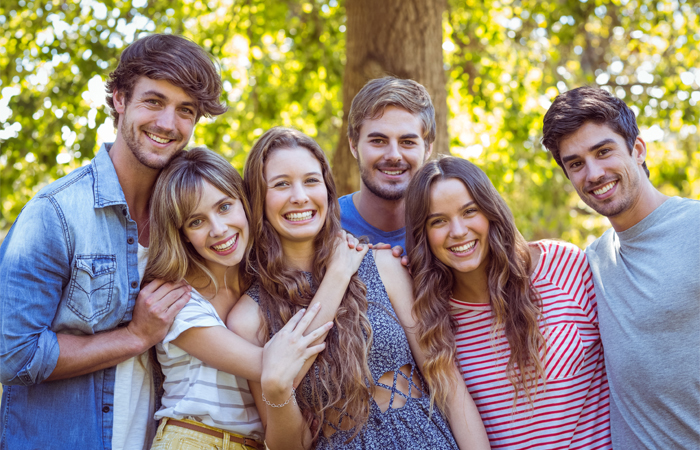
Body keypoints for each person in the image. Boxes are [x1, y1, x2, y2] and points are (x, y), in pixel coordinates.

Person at [0, 34, 226, 449]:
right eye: (154, 101)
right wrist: (135, 336)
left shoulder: (189, 222)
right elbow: (12, 353)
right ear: (120, 99)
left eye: (185, 111)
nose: (167, 123)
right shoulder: (56, 213)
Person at [228, 127, 489, 450]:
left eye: (311, 181)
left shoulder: (381, 265)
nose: (300, 196)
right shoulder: (248, 317)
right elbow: (290, 445)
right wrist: (278, 390)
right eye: (281, 184)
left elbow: (447, 382)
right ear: (257, 198)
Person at [141, 147, 366, 449]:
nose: (219, 230)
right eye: (196, 222)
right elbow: (282, 368)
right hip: (195, 440)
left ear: (245, 203)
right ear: (181, 233)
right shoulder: (178, 301)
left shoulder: (263, 285)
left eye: (224, 207)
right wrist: (339, 274)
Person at [404, 156, 612, 449]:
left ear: (491, 212)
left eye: (469, 211)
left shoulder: (563, 267)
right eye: (438, 221)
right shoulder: (430, 317)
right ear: (422, 234)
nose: (458, 231)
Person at [542, 86, 700, 448]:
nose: (594, 173)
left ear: (638, 149)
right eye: (576, 163)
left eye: (604, 151)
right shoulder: (591, 263)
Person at [339, 77, 435, 249]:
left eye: (407, 142)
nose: (394, 156)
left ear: (428, 148)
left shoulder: (447, 229)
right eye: (378, 141)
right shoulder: (323, 226)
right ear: (353, 145)